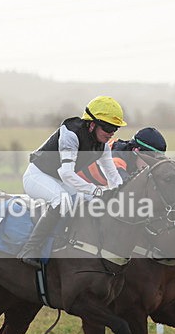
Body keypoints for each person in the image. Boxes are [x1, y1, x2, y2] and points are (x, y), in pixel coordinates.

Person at [17, 96, 127, 269]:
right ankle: (29, 249)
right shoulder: (70, 134)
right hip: (37, 176)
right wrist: (96, 191)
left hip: (59, 181)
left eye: (116, 128)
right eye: (108, 127)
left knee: (90, 201)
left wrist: (122, 195)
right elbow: (67, 174)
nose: (112, 132)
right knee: (62, 201)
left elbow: (113, 177)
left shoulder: (103, 145)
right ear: (92, 124)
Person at [77, 126, 168, 185]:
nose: (152, 163)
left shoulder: (132, 154)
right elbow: (126, 187)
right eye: (151, 157)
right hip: (69, 183)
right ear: (136, 150)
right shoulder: (117, 159)